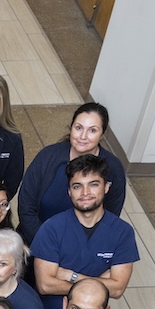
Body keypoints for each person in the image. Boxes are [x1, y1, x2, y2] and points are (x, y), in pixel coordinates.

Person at [32, 154, 139, 302]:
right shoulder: (51, 228)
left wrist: (72, 276)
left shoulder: (123, 232)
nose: (85, 193)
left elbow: (118, 289)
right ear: (69, 191)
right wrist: (99, 284)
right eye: (77, 186)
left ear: (106, 187)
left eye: (93, 184)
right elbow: (45, 285)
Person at [17, 102, 127, 244]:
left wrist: (72, 251)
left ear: (102, 134)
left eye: (92, 130)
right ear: (71, 128)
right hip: (35, 240)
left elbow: (110, 217)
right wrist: (45, 244)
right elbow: (26, 204)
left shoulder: (113, 169)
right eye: (79, 128)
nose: (83, 136)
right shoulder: (48, 156)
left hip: (80, 249)